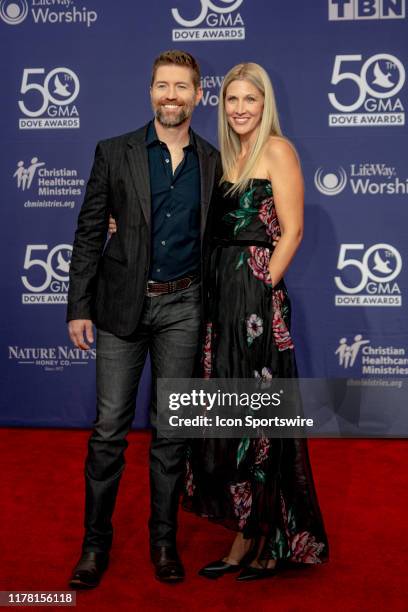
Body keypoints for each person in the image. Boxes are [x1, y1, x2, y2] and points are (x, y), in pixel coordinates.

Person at [66, 49, 221, 588]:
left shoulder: (214, 161)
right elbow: (89, 231)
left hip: (185, 306)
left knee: (171, 433)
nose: (171, 96)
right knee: (109, 430)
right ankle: (94, 545)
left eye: (182, 87)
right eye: (162, 86)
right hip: (119, 308)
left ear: (199, 95)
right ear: (151, 91)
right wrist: (78, 306)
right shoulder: (115, 152)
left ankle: (163, 541)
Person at [182, 62, 329, 581]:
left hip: (256, 307)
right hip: (220, 304)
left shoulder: (277, 150)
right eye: (232, 100)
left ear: (266, 104)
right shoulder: (228, 156)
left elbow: (292, 231)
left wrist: (262, 289)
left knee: (260, 422)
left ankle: (265, 541)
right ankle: (247, 532)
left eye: (251, 99)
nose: (241, 109)